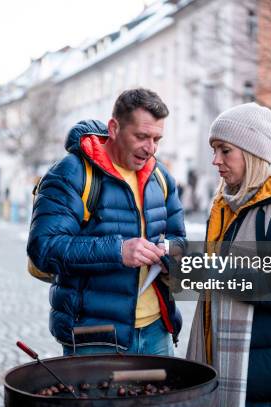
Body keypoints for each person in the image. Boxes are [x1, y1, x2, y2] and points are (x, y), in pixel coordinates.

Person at [186, 103, 271, 406]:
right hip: (234, 361)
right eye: (214, 150)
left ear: (252, 154)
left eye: (225, 151)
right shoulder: (226, 204)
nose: (216, 161)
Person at [27, 88, 185, 356]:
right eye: (141, 136)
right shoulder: (72, 172)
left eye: (157, 138)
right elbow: (44, 248)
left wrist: (169, 255)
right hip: (95, 338)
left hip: (157, 331)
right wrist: (118, 251)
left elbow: (179, 240)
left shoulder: (161, 177)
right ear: (114, 128)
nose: (150, 148)